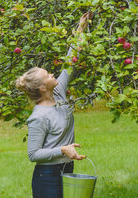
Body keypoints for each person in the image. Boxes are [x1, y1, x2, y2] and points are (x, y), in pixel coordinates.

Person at [15, 12, 93, 198]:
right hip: (47, 176)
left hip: (67, 168)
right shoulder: (39, 116)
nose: (53, 75)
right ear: (42, 87)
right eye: (48, 75)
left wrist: (81, 29)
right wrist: (62, 150)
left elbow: (70, 61)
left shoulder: (58, 93)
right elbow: (33, 154)